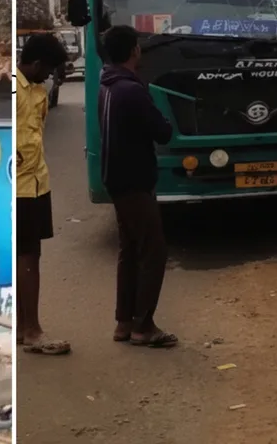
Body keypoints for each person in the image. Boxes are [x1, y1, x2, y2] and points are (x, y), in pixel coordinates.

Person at [99, 24, 178, 348]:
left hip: (117, 180)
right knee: (153, 251)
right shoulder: (132, 90)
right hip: (134, 182)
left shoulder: (108, 84)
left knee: (129, 250)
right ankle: (143, 326)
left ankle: (124, 322)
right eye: (139, 46)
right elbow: (163, 132)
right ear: (133, 51)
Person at [15, 32, 71, 356]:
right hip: (19, 188)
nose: (50, 75)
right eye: (48, 69)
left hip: (37, 184)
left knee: (30, 256)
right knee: (28, 258)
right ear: (35, 63)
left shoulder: (37, 90)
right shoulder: (14, 89)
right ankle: (33, 331)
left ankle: (25, 328)